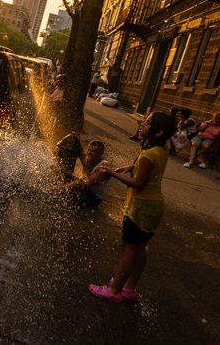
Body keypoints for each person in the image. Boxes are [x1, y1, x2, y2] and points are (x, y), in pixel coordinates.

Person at [88, 111, 176, 303]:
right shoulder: (160, 151)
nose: (143, 124)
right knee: (140, 247)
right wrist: (128, 168)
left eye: (148, 123)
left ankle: (114, 289)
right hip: (153, 208)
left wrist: (111, 172)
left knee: (129, 249)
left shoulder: (147, 154)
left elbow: (137, 183)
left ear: (158, 132)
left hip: (140, 208)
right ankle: (130, 287)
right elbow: (147, 171)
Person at [65, 140, 111, 208]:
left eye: (93, 151)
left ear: (100, 153)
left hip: (94, 199)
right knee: (63, 172)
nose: (89, 153)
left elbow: (87, 182)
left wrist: (62, 187)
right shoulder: (87, 157)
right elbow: (73, 140)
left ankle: (55, 191)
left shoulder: (104, 166)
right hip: (83, 189)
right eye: (89, 150)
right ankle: (60, 191)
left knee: (77, 183)